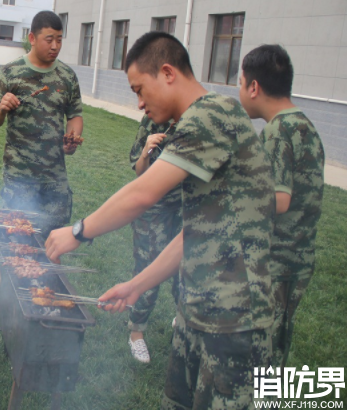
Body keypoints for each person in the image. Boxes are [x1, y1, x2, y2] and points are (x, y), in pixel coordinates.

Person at [46, 31, 275, 409]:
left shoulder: (211, 116)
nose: (138, 103)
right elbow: (197, 233)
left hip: (237, 319)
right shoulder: (197, 120)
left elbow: (142, 193)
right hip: (199, 309)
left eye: (140, 89)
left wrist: (78, 232)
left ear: (167, 72)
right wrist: (138, 284)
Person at [238, 44, 324, 369]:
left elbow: (279, 200)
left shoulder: (277, 132)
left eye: (240, 82)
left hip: (277, 263)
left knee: (262, 352)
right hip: (298, 258)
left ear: (254, 87)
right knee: (277, 345)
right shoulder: (304, 124)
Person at [0, 11, 83, 235]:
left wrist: (72, 138)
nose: (55, 46)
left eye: (59, 39)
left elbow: (75, 115)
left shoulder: (67, 77)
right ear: (32, 38)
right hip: (20, 178)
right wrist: (1, 107)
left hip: (54, 179)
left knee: (54, 241)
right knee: (18, 240)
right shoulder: (11, 73)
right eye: (49, 39)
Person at [126, 115, 182, 363]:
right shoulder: (151, 120)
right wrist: (147, 151)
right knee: (148, 269)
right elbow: (139, 172)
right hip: (154, 209)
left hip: (186, 206)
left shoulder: (194, 120)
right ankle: (136, 332)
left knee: (189, 269)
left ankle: (183, 320)